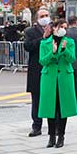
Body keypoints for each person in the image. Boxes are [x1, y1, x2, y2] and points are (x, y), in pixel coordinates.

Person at [38, 18, 77, 148]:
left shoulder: (70, 41)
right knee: (50, 107)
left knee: (63, 108)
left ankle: (61, 135)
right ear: (54, 28)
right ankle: (51, 136)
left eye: (65, 27)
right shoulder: (45, 43)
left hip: (64, 77)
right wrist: (53, 52)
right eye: (61, 27)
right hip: (49, 77)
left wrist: (64, 49)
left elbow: (72, 58)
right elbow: (43, 61)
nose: (63, 30)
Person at [23, 8, 51, 136]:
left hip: (51, 68)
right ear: (37, 19)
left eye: (46, 15)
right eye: (42, 16)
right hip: (37, 69)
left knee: (52, 98)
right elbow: (28, 46)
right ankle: (36, 126)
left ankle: (54, 126)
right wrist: (43, 38)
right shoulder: (30, 31)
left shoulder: (55, 29)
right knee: (37, 99)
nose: (45, 18)